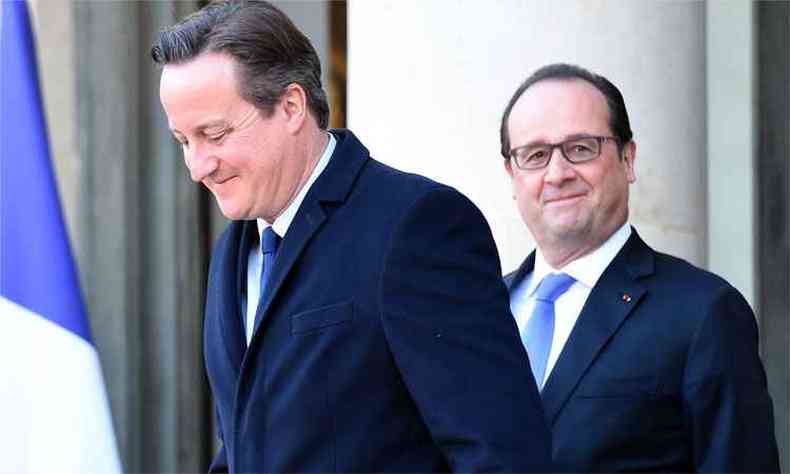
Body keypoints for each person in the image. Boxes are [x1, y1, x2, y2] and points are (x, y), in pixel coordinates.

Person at [151, 1, 551, 472]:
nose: (197, 167)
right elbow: (251, 448)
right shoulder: (231, 252)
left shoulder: (416, 225)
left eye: (214, 134)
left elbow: (502, 454)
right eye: (183, 142)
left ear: (291, 106)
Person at [500, 63, 780, 472]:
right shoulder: (480, 309)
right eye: (535, 155)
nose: (557, 173)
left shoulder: (703, 313)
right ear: (512, 175)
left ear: (628, 160)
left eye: (581, 148)